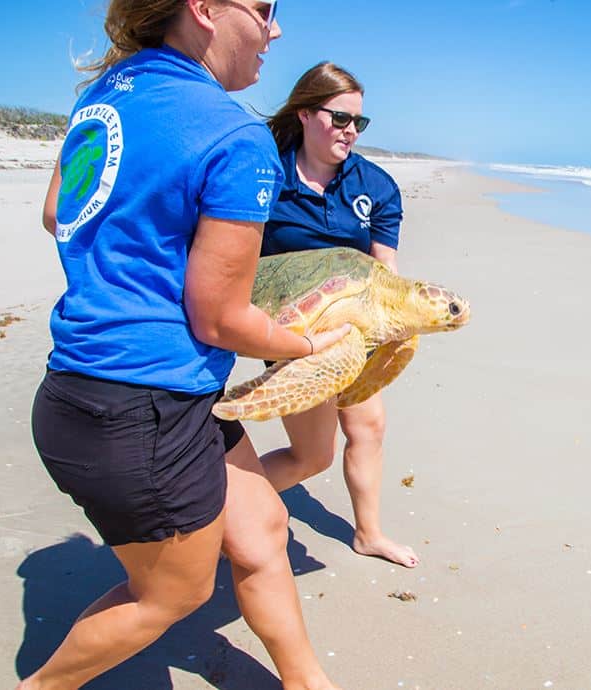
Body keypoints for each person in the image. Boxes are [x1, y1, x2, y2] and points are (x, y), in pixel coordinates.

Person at [21, 2, 348, 689]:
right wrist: (306, 341)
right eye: (264, 9)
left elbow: (58, 213)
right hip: (141, 407)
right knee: (173, 595)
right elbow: (220, 319)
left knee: (260, 530)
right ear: (204, 9)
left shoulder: (106, 95)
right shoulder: (235, 135)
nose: (275, 30)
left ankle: (307, 682)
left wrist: (137, 239)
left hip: (103, 389)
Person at [260, 63, 418, 568]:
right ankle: (215, 504)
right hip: (291, 331)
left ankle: (368, 533)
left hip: (355, 327)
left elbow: (384, 271)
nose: (351, 131)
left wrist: (393, 331)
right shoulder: (265, 173)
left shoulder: (376, 185)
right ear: (305, 113)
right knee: (312, 456)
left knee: (368, 426)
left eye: (359, 123)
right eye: (341, 118)